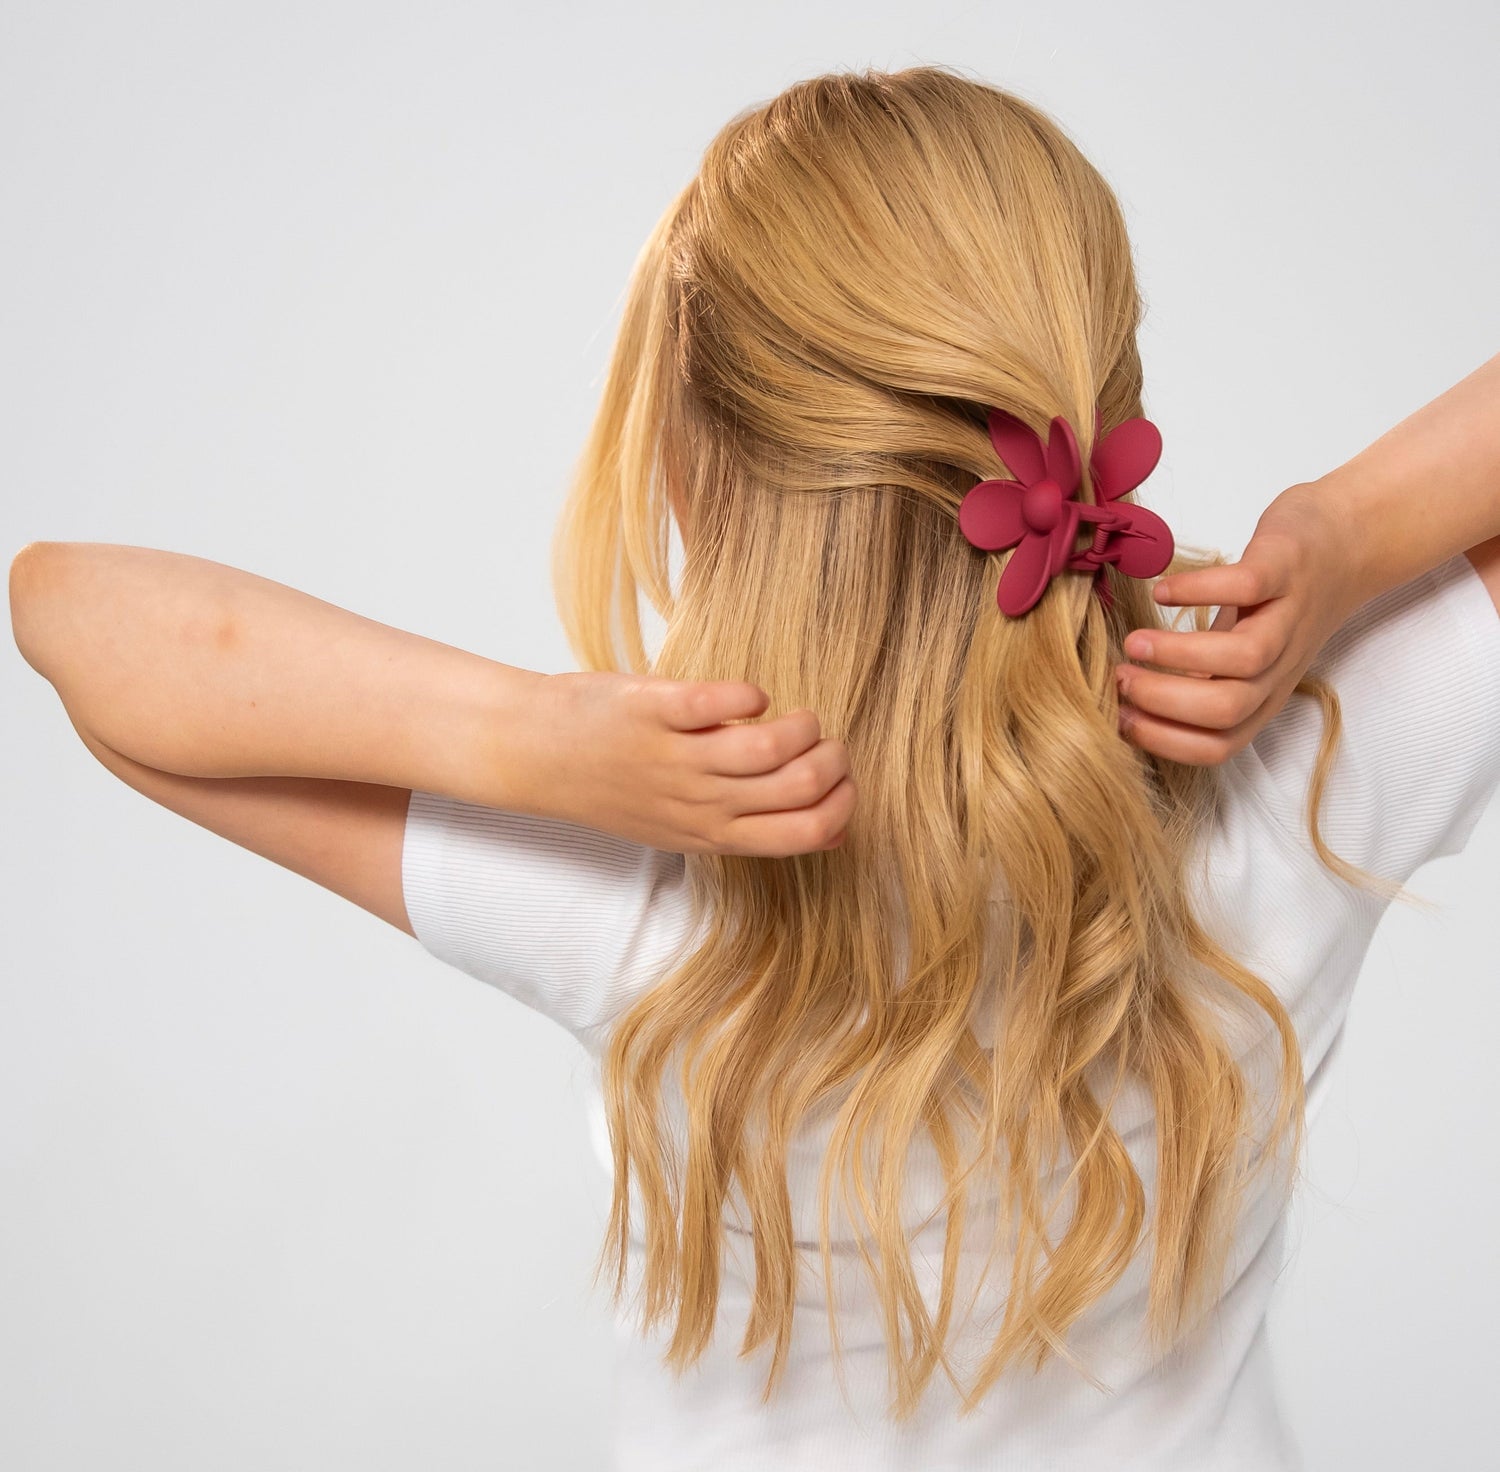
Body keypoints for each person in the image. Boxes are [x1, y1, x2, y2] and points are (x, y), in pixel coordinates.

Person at [10, 63, 1500, 1472]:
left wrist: (526, 736)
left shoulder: (645, 884)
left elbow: (75, 624)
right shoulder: (1298, 779)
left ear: (693, 464)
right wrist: (1350, 526)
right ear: (1103, 412)